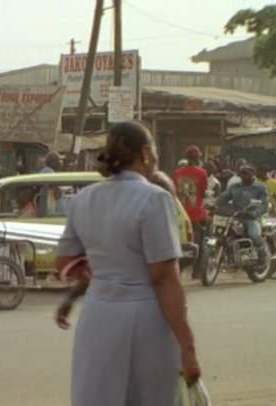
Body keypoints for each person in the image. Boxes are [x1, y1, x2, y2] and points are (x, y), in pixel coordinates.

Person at [54, 121, 200, 406]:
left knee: (98, 395)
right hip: (145, 317)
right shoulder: (155, 198)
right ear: (145, 153)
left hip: (97, 315)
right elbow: (164, 277)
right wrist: (188, 346)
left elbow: (65, 262)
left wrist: (100, 273)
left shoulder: (83, 199)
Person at [217, 165, 270, 267]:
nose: (243, 175)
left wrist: (253, 213)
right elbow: (223, 197)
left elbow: (264, 205)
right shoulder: (234, 187)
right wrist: (214, 204)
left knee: (253, 234)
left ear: (252, 174)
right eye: (242, 173)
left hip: (252, 218)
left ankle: (262, 256)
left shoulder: (260, 188)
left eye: (246, 173)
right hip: (235, 217)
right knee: (221, 232)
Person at [174, 145, 209, 275]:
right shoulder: (202, 173)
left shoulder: (178, 172)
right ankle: (197, 271)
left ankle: (179, 269)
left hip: (180, 214)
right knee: (200, 242)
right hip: (197, 214)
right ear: (198, 158)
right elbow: (205, 191)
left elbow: (175, 190)